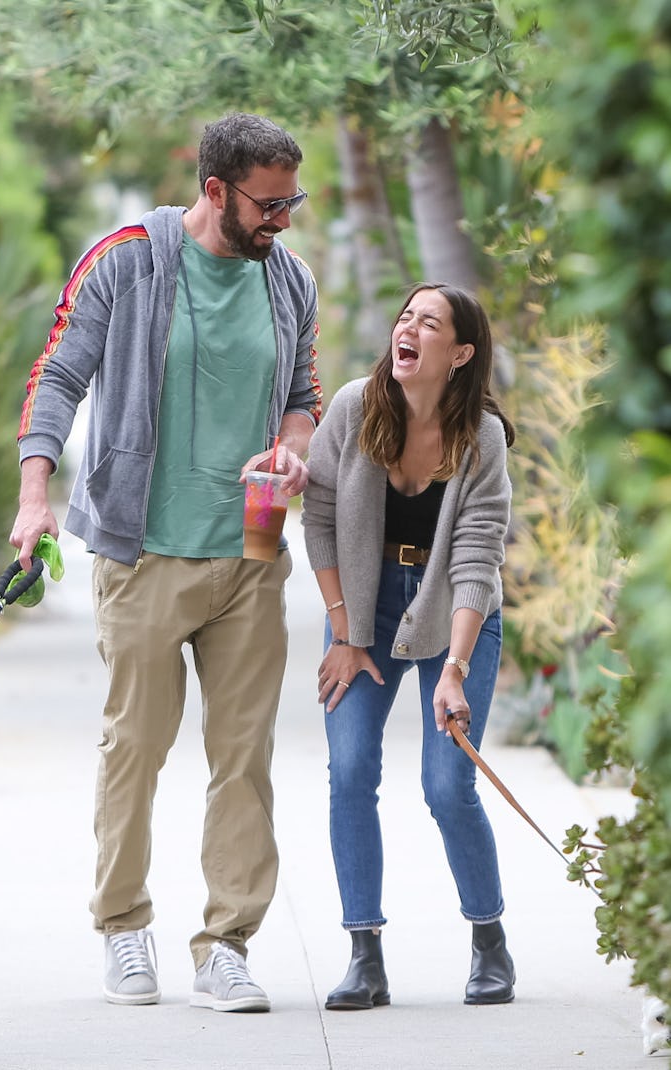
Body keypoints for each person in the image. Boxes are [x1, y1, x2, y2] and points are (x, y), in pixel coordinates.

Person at [11, 112, 322, 1012]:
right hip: (144, 550)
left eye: (292, 202)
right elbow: (57, 375)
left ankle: (226, 942)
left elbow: (300, 394)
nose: (284, 222)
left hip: (253, 547)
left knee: (243, 757)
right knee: (135, 748)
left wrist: (295, 445)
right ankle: (124, 926)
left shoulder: (288, 279)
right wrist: (36, 495)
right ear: (215, 190)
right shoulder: (126, 261)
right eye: (270, 205)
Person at [301, 282, 516, 1010]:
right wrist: (342, 631)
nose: (409, 328)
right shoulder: (356, 408)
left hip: (456, 610)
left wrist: (454, 669)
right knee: (351, 767)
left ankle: (489, 941)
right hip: (365, 607)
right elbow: (320, 518)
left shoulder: (480, 437)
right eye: (405, 316)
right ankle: (365, 955)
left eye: (430, 323)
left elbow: (479, 556)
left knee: (447, 784)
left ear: (458, 353)